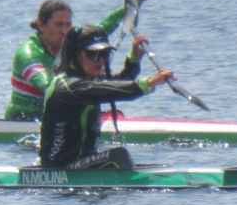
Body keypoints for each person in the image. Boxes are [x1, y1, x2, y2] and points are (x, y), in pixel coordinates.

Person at [4, 0, 156, 120]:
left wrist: (135, 2)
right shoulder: (29, 55)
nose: (65, 31)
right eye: (59, 25)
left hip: (61, 113)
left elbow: (102, 29)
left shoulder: (70, 39)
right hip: (25, 118)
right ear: (41, 25)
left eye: (67, 24)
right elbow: (51, 89)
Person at [37, 25, 173, 169]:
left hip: (82, 162)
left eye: (104, 54)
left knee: (162, 165)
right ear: (75, 54)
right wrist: (150, 82)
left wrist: (134, 57)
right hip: (59, 167)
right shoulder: (67, 87)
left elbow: (120, 83)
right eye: (94, 54)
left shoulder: (90, 81)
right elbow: (115, 91)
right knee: (118, 155)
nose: (101, 60)